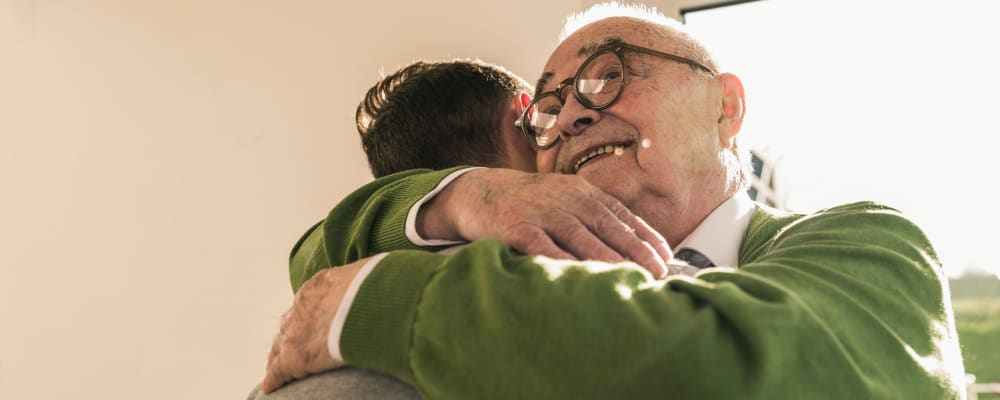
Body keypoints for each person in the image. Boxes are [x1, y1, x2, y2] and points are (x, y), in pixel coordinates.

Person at [262, 3, 966, 398]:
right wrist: (462, 196)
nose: (569, 115)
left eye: (607, 75)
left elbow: (744, 371)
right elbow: (318, 250)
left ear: (725, 107)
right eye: (547, 106)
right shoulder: (529, 261)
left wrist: (375, 300)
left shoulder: (870, 241)